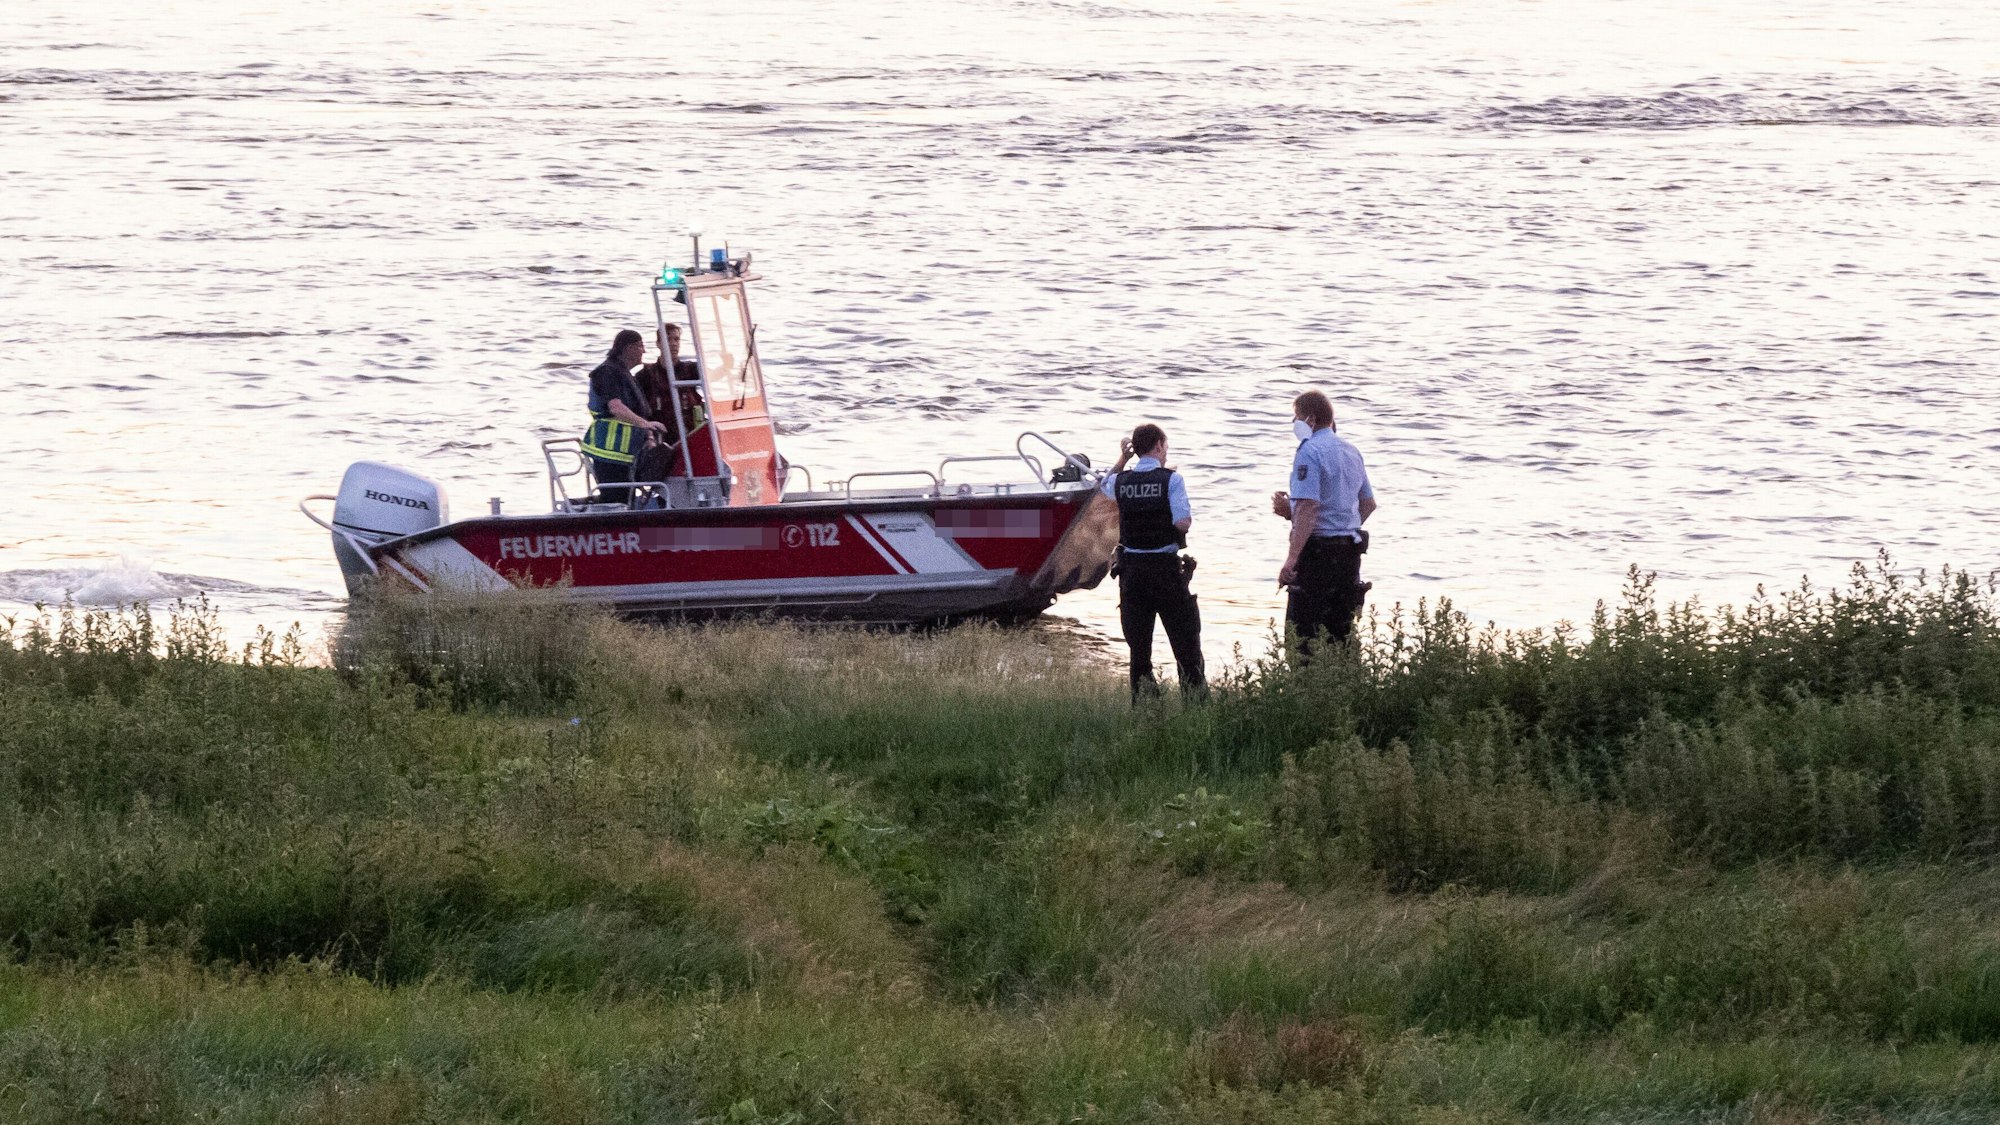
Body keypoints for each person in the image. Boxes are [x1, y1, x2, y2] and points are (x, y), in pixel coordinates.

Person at [1103, 423, 1206, 702]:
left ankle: (1147, 710)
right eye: (1165, 447)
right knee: (1186, 646)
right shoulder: (1171, 479)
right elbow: (1181, 524)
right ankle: (1196, 708)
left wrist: (1122, 459)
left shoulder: (1121, 481)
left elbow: (1103, 485)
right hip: (1165, 572)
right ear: (1159, 445)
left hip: (1132, 575)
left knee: (1139, 651)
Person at [1271, 390, 1377, 653]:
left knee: (1301, 637)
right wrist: (1342, 525)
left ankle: (1303, 689)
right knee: (1341, 632)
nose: (1294, 424)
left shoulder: (1310, 451)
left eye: (1296, 418)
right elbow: (1368, 503)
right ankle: (1346, 687)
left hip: (1317, 556)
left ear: (1311, 418)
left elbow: (1308, 507)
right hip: (1349, 553)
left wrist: (1291, 560)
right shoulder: (1351, 451)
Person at [581, 329, 667, 505]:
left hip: (626, 453)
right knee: (615, 500)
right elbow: (616, 408)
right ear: (627, 348)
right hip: (609, 452)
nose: (644, 351)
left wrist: (649, 437)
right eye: (640, 346)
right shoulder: (607, 373)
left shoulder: (625, 374)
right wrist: (645, 425)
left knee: (625, 499)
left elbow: (640, 411)